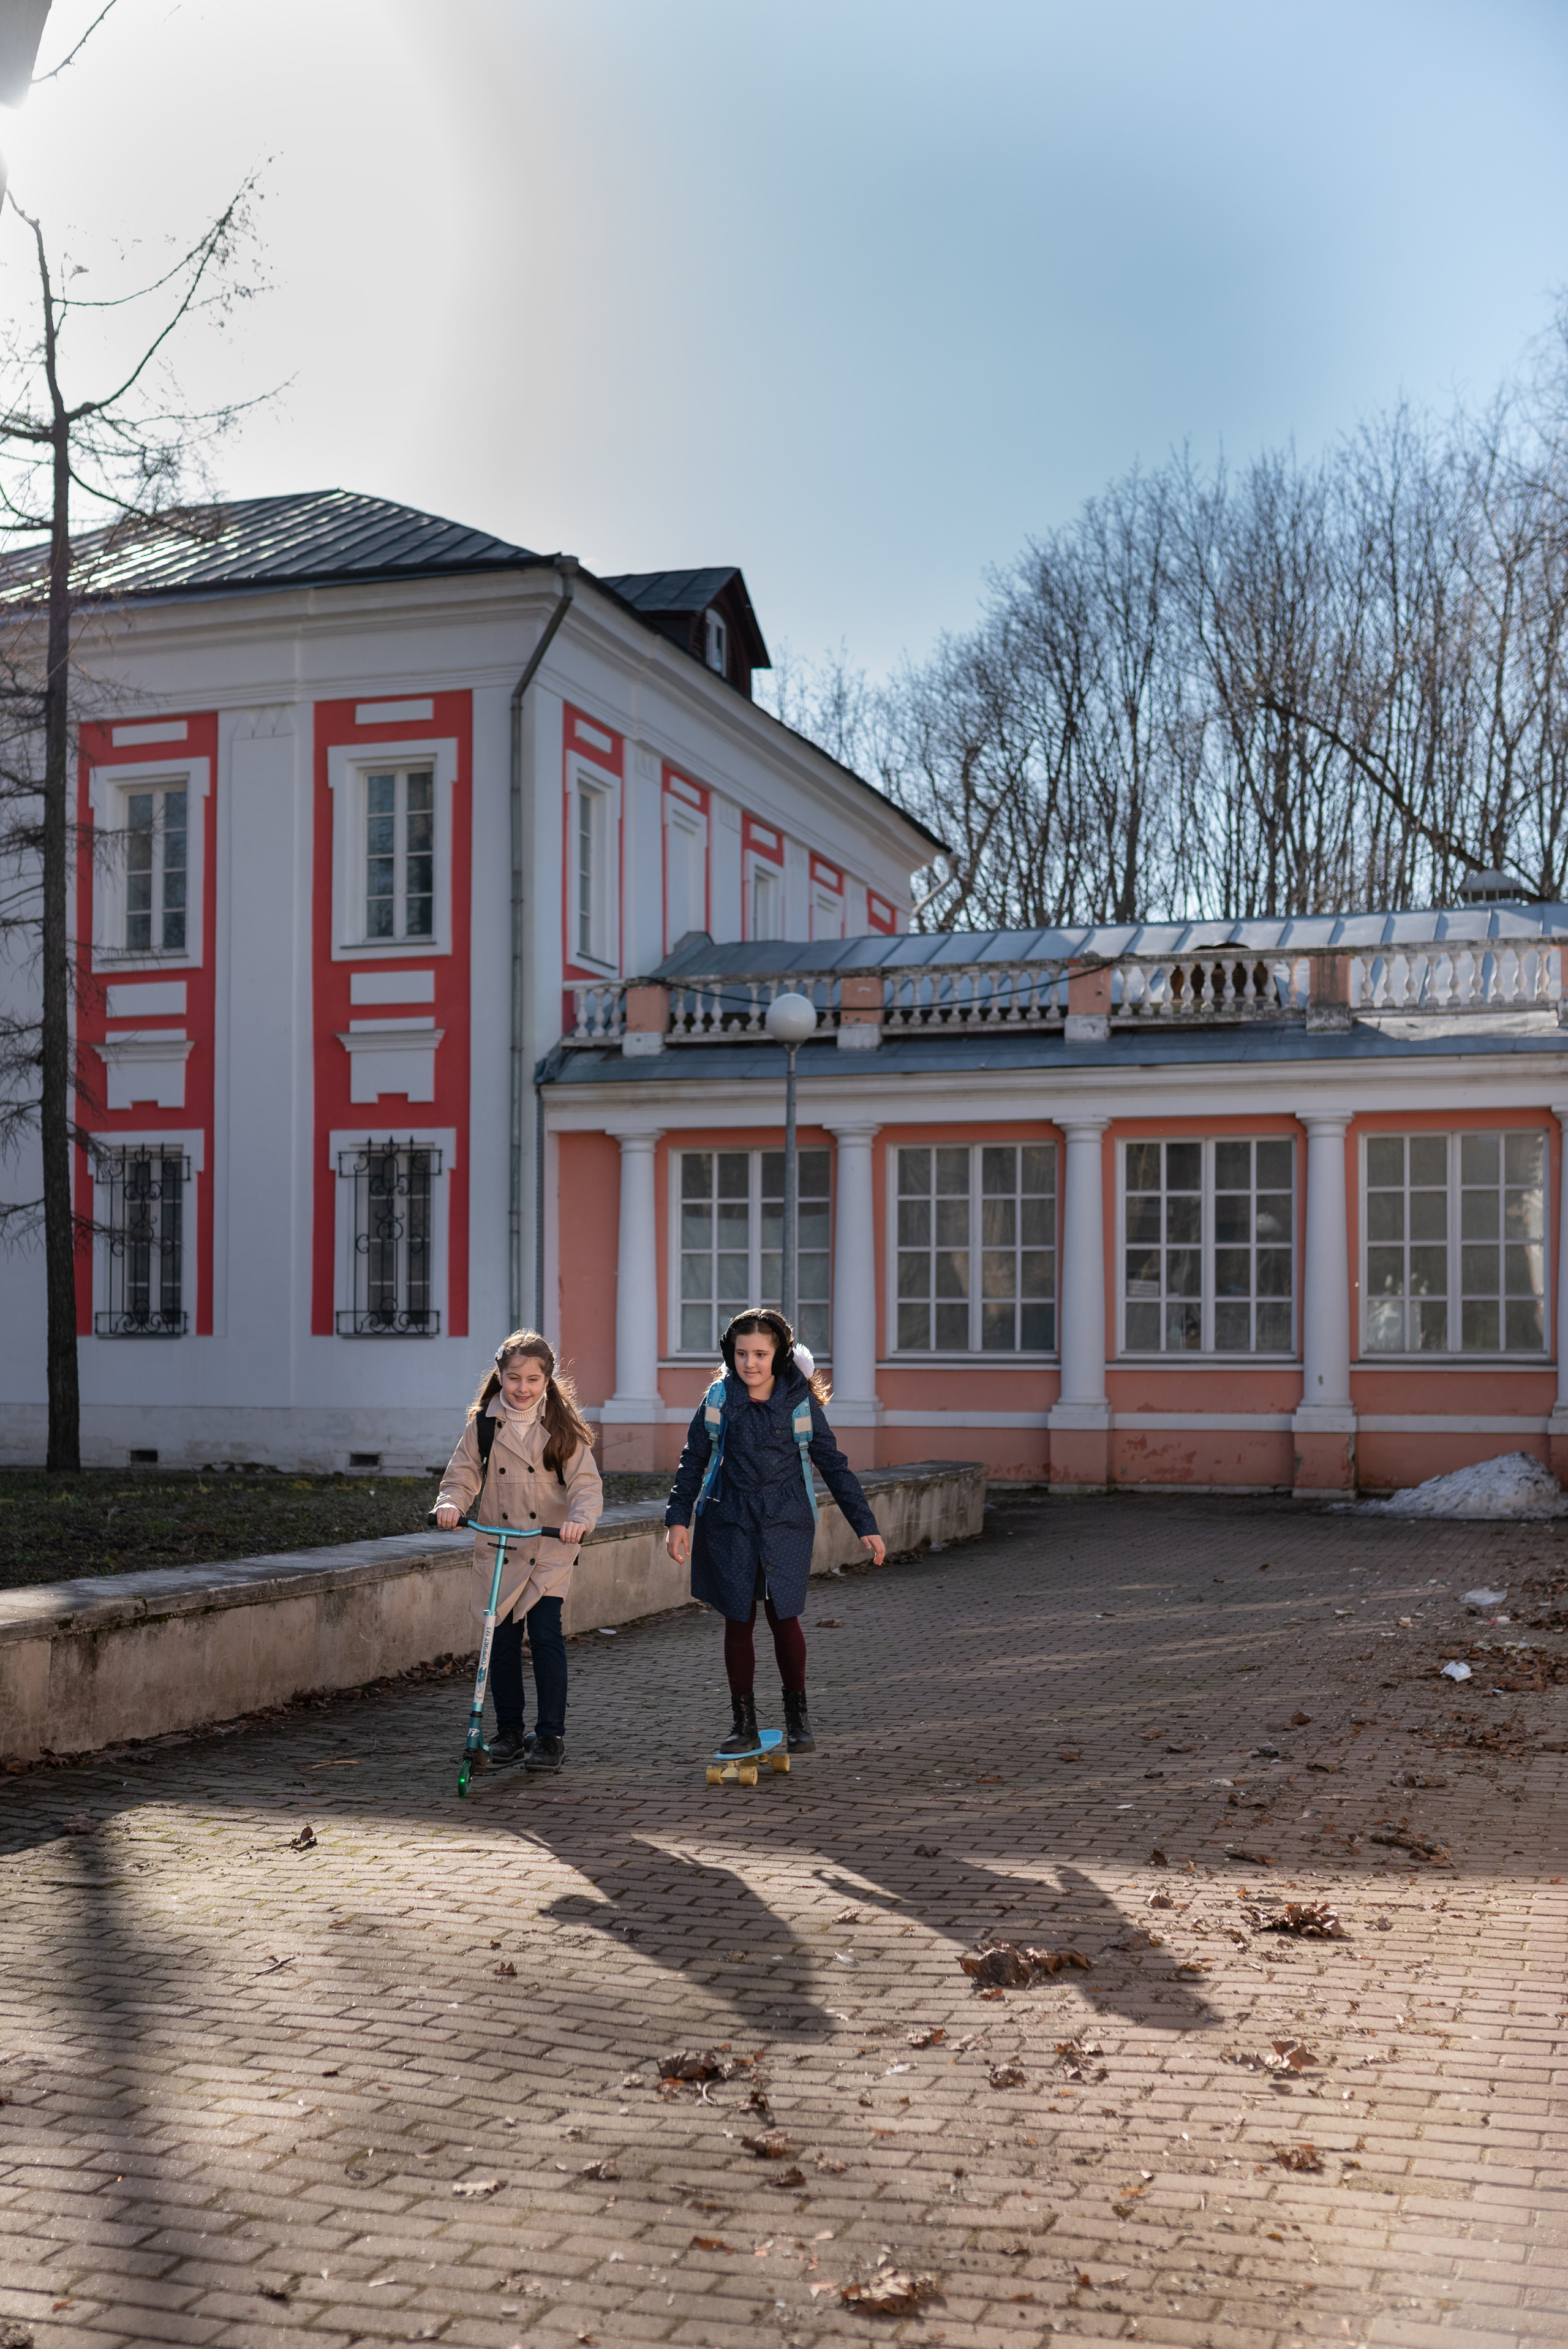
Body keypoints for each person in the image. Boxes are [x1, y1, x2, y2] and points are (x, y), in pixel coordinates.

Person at [665, 1306, 884, 1757]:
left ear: (779, 1354)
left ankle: (797, 1717)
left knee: (785, 1618)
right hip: (729, 1522)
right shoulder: (719, 1399)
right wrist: (677, 1520)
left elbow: (834, 1466)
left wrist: (866, 1525)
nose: (751, 1363)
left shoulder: (799, 1401)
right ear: (731, 1354)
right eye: (742, 1353)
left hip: (787, 1522)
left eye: (761, 1354)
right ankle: (743, 1724)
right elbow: (692, 1462)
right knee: (738, 1620)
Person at [435, 1331, 601, 1772]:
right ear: (500, 1377)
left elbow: (587, 1487)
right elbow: (462, 1475)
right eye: (514, 1379)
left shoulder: (562, 1429)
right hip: (501, 1548)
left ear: (547, 1381)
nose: (522, 1389)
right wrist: (451, 1503)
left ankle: (550, 1735)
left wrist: (579, 1521)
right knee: (502, 1642)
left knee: (546, 1634)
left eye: (532, 1379)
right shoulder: (484, 1426)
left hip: (549, 1547)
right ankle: (509, 1730)